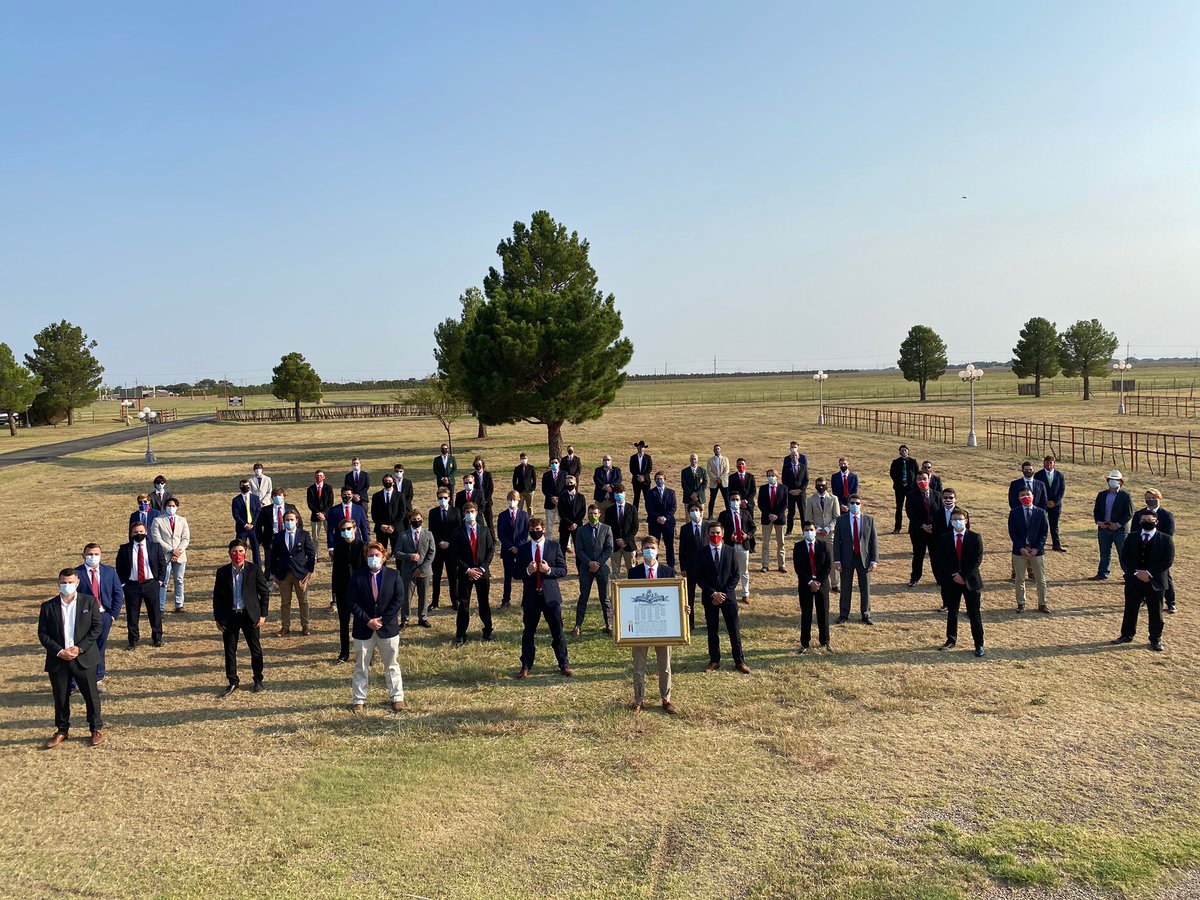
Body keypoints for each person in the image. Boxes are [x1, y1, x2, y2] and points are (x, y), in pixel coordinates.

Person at [39, 568, 104, 748]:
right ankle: (62, 730)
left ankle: (95, 728)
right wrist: (59, 651)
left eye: (70, 582)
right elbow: (43, 635)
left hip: (83, 658)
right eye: (63, 582)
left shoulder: (89, 602)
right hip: (58, 660)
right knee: (60, 697)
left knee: (91, 696)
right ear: (58, 583)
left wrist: (80, 648)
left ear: (77, 583)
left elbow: (96, 628)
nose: (66, 585)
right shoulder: (48, 606)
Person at [349, 542, 406, 712]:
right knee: (361, 666)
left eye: (377, 555)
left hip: (387, 629)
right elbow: (352, 602)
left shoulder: (394, 576)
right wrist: (368, 620)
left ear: (383, 557)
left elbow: (398, 599)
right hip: (363, 629)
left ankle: (397, 697)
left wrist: (383, 621)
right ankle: (358, 699)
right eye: (370, 555)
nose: (373, 558)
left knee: (392, 665)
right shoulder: (357, 576)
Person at [627, 536, 678, 714]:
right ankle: (639, 700)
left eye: (652, 547)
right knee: (638, 666)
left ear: (658, 549)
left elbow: (674, 599)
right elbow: (628, 600)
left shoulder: (668, 572)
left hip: (663, 627)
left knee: (665, 666)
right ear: (641, 550)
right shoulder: (634, 573)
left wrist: (683, 609)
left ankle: (666, 698)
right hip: (641, 627)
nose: (650, 550)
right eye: (646, 547)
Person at [516, 518, 572, 678]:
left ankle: (564, 664)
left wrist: (548, 570)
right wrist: (528, 570)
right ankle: (526, 665)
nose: (535, 531)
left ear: (543, 530)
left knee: (558, 632)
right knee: (528, 633)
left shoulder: (554, 547)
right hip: (531, 597)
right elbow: (515, 573)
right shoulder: (524, 549)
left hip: (551, 597)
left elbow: (563, 570)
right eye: (532, 529)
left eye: (538, 528)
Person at [212, 539, 269, 697]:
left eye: (241, 551)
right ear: (229, 553)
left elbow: (264, 593)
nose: (238, 555)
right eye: (235, 552)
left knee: (255, 649)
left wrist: (263, 615)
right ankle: (232, 681)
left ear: (246, 552)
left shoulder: (254, 569)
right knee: (230, 650)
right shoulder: (222, 572)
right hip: (230, 616)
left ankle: (258, 679)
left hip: (250, 615)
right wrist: (218, 617)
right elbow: (217, 596)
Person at [1111, 510, 1174, 652]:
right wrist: (1136, 572)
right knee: (1130, 608)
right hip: (1134, 580)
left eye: (1150, 520)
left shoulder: (1165, 539)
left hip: (1155, 582)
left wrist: (1149, 573)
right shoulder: (1132, 537)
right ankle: (1126, 634)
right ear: (1140, 522)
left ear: (1156, 521)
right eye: (1143, 520)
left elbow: (1167, 561)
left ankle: (1155, 639)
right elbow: (1125, 557)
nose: (1146, 522)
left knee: (1155, 612)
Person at [697, 522, 749, 673]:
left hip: (728, 598)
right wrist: (713, 593)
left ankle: (739, 661)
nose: (715, 536)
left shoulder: (731, 551)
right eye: (712, 533)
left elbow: (735, 575)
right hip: (710, 598)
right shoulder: (702, 553)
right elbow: (699, 577)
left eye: (717, 533)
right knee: (712, 630)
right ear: (708, 535)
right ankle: (714, 660)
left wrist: (723, 593)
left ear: (723, 534)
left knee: (734, 630)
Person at [74, 543, 124, 694]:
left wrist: (113, 615)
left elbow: (118, 593)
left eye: (96, 554)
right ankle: (78, 680)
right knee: (82, 648)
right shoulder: (77, 573)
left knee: (100, 648)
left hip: (104, 616)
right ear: (83, 556)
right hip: (83, 619)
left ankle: (98, 678)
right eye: (90, 554)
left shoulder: (109, 571)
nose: (93, 557)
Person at [936, 508, 985, 657]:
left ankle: (979, 644)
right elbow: (941, 559)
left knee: (974, 613)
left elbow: (977, 560)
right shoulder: (945, 538)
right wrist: (954, 575)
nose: (957, 522)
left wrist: (963, 575)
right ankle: (951, 639)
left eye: (960, 519)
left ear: (966, 521)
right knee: (952, 611)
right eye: (954, 519)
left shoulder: (975, 537)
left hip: (970, 581)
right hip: (952, 582)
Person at [116, 521, 167, 649]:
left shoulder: (155, 547)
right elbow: (119, 568)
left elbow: (162, 565)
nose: (138, 534)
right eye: (135, 532)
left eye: (141, 531)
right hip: (132, 586)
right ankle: (133, 641)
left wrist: (159, 581)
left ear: (146, 532)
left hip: (151, 584)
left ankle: (157, 638)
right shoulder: (124, 549)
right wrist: (123, 584)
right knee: (132, 615)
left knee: (154, 613)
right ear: (131, 534)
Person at [451, 502, 495, 645]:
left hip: (482, 573)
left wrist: (482, 568)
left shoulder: (484, 530)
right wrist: (468, 570)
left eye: (472, 511)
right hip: (466, 573)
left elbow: (490, 551)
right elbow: (455, 554)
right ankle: (461, 634)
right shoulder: (457, 532)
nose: (470, 513)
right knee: (463, 604)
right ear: (464, 514)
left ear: (476, 513)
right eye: (467, 511)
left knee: (484, 603)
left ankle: (488, 630)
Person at [832, 494, 878, 625]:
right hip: (847, 558)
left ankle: (866, 614)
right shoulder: (841, 520)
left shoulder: (869, 520)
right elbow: (837, 542)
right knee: (845, 587)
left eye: (857, 503)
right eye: (852, 503)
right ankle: (843, 614)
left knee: (865, 588)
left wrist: (874, 560)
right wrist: (837, 560)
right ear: (848, 504)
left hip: (864, 559)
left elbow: (873, 541)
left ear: (861, 505)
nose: (855, 505)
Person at [270, 511, 315, 636]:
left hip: (300, 574)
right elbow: (273, 556)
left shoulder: (304, 535)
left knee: (303, 601)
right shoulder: (278, 536)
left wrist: (310, 571)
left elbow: (311, 554)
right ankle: (285, 626)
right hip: (284, 575)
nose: (289, 522)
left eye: (291, 519)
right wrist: (273, 573)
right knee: (285, 602)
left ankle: (305, 626)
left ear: (297, 520)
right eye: (286, 520)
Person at [573, 504, 614, 635]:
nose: (593, 516)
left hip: (602, 569)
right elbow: (578, 550)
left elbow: (609, 548)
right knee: (583, 597)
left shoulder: (607, 529)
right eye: (591, 513)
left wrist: (598, 563)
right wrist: (589, 563)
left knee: (605, 598)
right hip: (586, 569)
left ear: (600, 514)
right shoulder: (581, 530)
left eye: (595, 514)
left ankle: (609, 624)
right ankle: (578, 625)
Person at [1009, 487, 1050, 613]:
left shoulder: (1041, 512)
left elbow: (1044, 532)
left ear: (1033, 496)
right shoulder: (1014, 513)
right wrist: (1021, 547)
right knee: (1020, 578)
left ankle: (1042, 603)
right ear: (1019, 498)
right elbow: (1012, 532)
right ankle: (1021, 603)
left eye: (1028, 494)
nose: (1026, 497)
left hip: (1036, 551)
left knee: (1040, 579)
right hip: (1020, 551)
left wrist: (1037, 548)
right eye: (1022, 495)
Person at [330, 517, 366, 662]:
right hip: (343, 591)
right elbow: (335, 572)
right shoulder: (338, 547)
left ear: (355, 529)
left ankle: (364, 654)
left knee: (361, 623)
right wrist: (334, 594)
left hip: (360, 592)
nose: (346, 532)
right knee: (343, 624)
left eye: (349, 529)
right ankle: (344, 652)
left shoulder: (363, 546)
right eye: (343, 530)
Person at [793, 522, 832, 654]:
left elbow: (827, 566)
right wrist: (810, 581)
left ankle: (825, 641)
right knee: (806, 614)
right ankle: (804, 643)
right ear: (802, 532)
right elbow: (798, 568)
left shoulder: (824, 546)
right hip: (805, 585)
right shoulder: (798, 547)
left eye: (811, 530)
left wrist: (818, 581)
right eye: (806, 530)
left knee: (823, 613)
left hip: (822, 585)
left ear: (815, 531)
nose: (809, 532)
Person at [1136, 489, 1176, 613]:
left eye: (1154, 497)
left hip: (1159, 551)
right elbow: (1134, 532)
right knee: (1142, 574)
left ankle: (1170, 602)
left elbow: (1168, 535)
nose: (1151, 499)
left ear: (1159, 498)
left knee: (1164, 576)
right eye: (1148, 497)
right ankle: (1144, 598)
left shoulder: (1166, 515)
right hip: (1142, 549)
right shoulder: (1139, 514)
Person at [1091, 470, 1133, 581]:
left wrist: (1117, 524)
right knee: (1104, 553)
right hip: (1104, 529)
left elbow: (1128, 514)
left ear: (1120, 482)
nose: (1113, 482)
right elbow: (1096, 511)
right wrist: (1100, 523)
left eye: (1116, 480)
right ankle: (1102, 573)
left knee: (1123, 554)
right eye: (1111, 480)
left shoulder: (1125, 496)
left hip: (1120, 531)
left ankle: (1128, 576)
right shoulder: (1101, 495)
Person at [150, 497, 190, 614]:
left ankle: (179, 604)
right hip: (164, 555)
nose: (171, 508)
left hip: (180, 555)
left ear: (177, 507)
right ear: (164, 507)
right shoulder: (158, 520)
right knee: (164, 581)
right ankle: (161, 607)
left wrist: (178, 551)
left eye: (173, 506)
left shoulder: (182, 520)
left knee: (179, 580)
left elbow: (186, 538)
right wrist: (171, 550)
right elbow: (156, 538)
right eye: (169, 506)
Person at [396, 511, 435, 628]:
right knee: (406, 597)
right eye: (414, 519)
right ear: (410, 520)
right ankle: (405, 619)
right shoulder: (403, 535)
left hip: (424, 571)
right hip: (408, 570)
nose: (416, 521)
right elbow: (397, 552)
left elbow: (432, 553)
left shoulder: (428, 535)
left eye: (418, 518)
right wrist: (409, 556)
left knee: (423, 596)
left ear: (422, 519)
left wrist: (422, 568)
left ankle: (422, 618)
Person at [718, 492, 756, 603]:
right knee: (728, 571)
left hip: (743, 546)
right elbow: (719, 529)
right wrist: (728, 536)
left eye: (737, 499)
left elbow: (753, 527)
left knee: (744, 571)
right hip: (729, 546)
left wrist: (747, 536)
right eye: (732, 499)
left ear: (740, 501)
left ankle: (745, 593)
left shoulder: (746, 513)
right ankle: (728, 593)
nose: (735, 501)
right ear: (729, 501)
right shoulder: (724, 514)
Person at [256, 488, 302, 578]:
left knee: (286, 561)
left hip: (287, 537)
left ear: (284, 496)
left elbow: (300, 523)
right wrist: (261, 540)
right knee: (269, 562)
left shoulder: (291, 507)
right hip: (271, 540)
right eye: (275, 496)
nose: (277, 497)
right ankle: (269, 581)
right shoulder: (266, 510)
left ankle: (286, 579)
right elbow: (258, 526)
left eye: (279, 495)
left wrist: (296, 536)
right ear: (272, 497)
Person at [428, 488, 462, 611]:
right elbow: (432, 530)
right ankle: (434, 601)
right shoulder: (433, 512)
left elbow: (458, 529)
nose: (443, 500)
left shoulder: (456, 512)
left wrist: (449, 542)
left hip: (451, 549)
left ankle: (455, 600)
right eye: (440, 498)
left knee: (453, 576)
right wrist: (439, 542)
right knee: (436, 576)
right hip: (438, 549)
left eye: (445, 497)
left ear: (450, 498)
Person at [904, 475, 940, 588]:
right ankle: (914, 578)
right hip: (918, 530)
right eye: (919, 479)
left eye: (924, 479)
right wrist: (922, 525)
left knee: (935, 555)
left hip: (933, 531)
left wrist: (933, 525)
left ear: (929, 480)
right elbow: (910, 513)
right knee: (918, 555)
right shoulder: (911, 496)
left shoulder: (937, 495)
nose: (922, 481)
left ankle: (939, 578)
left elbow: (940, 512)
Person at [498, 491, 530, 608]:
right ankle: (506, 600)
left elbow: (525, 533)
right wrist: (511, 547)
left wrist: (518, 547)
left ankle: (525, 600)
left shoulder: (524, 515)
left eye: (514, 499)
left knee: (524, 575)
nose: (512, 501)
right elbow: (501, 534)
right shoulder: (502, 515)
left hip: (521, 550)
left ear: (518, 500)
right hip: (507, 550)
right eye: (509, 498)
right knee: (507, 576)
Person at [677, 504, 706, 631]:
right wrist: (683, 567)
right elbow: (682, 550)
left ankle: (709, 621)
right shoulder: (685, 529)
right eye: (692, 511)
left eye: (696, 510)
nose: (694, 512)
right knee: (689, 597)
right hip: (690, 568)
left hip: (706, 568)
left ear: (701, 512)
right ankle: (690, 623)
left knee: (707, 596)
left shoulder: (708, 526)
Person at [643, 471, 678, 568]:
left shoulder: (671, 492)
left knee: (669, 545)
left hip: (668, 523)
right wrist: (657, 517)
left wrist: (665, 517)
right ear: (655, 480)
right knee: (654, 545)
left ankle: (671, 566)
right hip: (654, 522)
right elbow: (649, 507)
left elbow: (673, 507)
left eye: (661, 479)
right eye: (657, 479)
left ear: (665, 480)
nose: (659, 481)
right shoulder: (650, 492)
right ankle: (654, 566)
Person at [1034, 455, 1067, 552]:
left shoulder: (1060, 475)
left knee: (1054, 525)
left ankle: (1056, 545)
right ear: (1044, 463)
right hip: (1042, 504)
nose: (1049, 465)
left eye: (1051, 463)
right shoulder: (1038, 475)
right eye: (1047, 462)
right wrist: (1045, 502)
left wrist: (1055, 502)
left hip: (1055, 505)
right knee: (1040, 525)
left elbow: (1062, 490)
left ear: (1054, 464)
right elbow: (1037, 490)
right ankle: (1038, 544)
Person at [604, 485, 638, 578]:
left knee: (632, 571)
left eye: (621, 492)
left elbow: (635, 527)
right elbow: (608, 527)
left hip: (629, 544)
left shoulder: (632, 508)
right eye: (617, 493)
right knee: (615, 572)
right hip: (615, 545)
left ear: (625, 493)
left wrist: (625, 540)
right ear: (614, 495)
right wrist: (617, 540)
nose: (619, 495)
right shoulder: (609, 510)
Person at [758, 468, 788, 573]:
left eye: (772, 475)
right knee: (765, 543)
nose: (771, 477)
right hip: (766, 518)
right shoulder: (763, 488)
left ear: (777, 476)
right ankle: (765, 565)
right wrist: (768, 514)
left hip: (779, 519)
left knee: (781, 542)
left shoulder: (783, 488)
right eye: (769, 475)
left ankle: (781, 565)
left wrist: (777, 515)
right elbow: (760, 503)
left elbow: (785, 504)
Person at [371, 474, 405, 556]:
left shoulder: (400, 495)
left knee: (398, 552)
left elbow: (402, 512)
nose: (388, 483)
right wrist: (381, 525)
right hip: (381, 529)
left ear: (393, 482)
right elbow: (374, 513)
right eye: (386, 481)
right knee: (381, 552)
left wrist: (393, 526)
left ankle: (399, 569)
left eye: (389, 481)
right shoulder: (376, 496)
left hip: (396, 528)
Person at [325, 487, 368, 552]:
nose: (347, 496)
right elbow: (330, 530)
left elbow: (364, 528)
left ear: (352, 495)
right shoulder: (333, 510)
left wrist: (366, 544)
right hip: (339, 542)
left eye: (349, 494)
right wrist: (330, 547)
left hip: (356, 542)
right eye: (344, 495)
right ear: (341, 495)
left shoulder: (360, 509)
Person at [231, 479, 262, 568]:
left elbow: (258, 512)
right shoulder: (236, 500)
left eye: (247, 485)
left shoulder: (255, 498)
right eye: (243, 486)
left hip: (254, 528)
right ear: (240, 487)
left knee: (256, 549)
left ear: (250, 486)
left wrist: (252, 524)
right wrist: (245, 524)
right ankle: (240, 566)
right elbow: (236, 515)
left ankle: (258, 568)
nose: (245, 487)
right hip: (242, 529)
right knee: (240, 549)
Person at [889, 445, 918, 534]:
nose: (904, 452)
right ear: (899, 452)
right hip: (899, 489)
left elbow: (917, 473)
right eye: (902, 450)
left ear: (908, 451)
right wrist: (898, 481)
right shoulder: (896, 462)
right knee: (899, 508)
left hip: (911, 488)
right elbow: (892, 473)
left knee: (911, 508)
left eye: (905, 450)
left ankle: (911, 528)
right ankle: (897, 528)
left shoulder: (913, 462)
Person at [782, 441, 809, 535]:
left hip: (801, 494)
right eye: (792, 456)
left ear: (798, 456)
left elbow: (806, 480)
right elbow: (784, 480)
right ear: (790, 457)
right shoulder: (786, 467)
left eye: (795, 455)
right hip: (791, 493)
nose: (794, 457)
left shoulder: (803, 467)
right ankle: (789, 530)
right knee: (791, 513)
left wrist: (800, 490)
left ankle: (804, 530)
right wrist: (790, 490)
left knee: (803, 513)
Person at [805, 477, 840, 548]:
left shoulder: (833, 499)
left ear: (826, 485)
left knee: (831, 556)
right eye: (818, 485)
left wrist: (828, 528)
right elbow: (808, 517)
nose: (821, 487)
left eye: (823, 485)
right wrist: (818, 528)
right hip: (816, 534)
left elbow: (837, 516)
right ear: (815, 486)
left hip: (830, 534)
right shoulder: (810, 500)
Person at [557, 475, 587, 553]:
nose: (569, 485)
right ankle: (562, 565)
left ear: (575, 484)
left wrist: (575, 524)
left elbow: (582, 512)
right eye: (568, 483)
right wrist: (569, 523)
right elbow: (561, 513)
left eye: (571, 483)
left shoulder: (581, 497)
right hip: (565, 525)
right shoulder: (562, 497)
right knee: (562, 548)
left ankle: (579, 565)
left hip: (577, 526)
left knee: (579, 548)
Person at [306, 469, 334, 544]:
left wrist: (324, 513)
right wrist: (318, 513)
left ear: (324, 477)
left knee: (330, 535)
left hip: (327, 516)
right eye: (317, 476)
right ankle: (315, 555)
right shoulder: (310, 489)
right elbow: (310, 503)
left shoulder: (329, 488)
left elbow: (330, 502)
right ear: (315, 477)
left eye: (321, 476)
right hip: (315, 516)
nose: (319, 477)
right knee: (315, 538)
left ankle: (332, 552)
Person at [541, 457, 565, 537]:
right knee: (549, 524)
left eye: (555, 462)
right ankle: (548, 541)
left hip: (561, 503)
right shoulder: (546, 475)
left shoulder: (564, 474)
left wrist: (558, 498)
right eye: (552, 463)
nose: (554, 464)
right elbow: (544, 489)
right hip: (549, 503)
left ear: (559, 463)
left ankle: (566, 544)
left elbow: (566, 488)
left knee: (564, 523)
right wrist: (552, 498)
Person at [471, 457, 496, 534]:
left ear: (482, 464)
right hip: (477, 504)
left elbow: (491, 488)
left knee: (490, 523)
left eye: (479, 464)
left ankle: (492, 539)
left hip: (487, 502)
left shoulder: (488, 475)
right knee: (479, 522)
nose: (478, 466)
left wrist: (486, 499)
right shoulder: (472, 476)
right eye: (476, 464)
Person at [706, 444, 730, 518]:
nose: (717, 450)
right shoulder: (710, 460)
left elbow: (727, 470)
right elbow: (709, 471)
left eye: (718, 449)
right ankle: (710, 515)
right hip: (714, 483)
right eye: (715, 449)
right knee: (712, 499)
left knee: (726, 499)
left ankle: (729, 513)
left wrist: (720, 479)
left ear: (720, 450)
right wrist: (715, 479)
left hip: (724, 482)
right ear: (713, 451)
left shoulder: (725, 459)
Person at [628, 441, 653, 508]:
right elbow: (631, 469)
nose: (640, 448)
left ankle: (650, 514)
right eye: (639, 447)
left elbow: (650, 468)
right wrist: (637, 476)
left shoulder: (648, 457)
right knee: (636, 498)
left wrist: (643, 476)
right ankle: (635, 515)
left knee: (647, 498)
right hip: (636, 481)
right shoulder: (633, 457)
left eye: (642, 447)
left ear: (644, 448)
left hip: (645, 481)